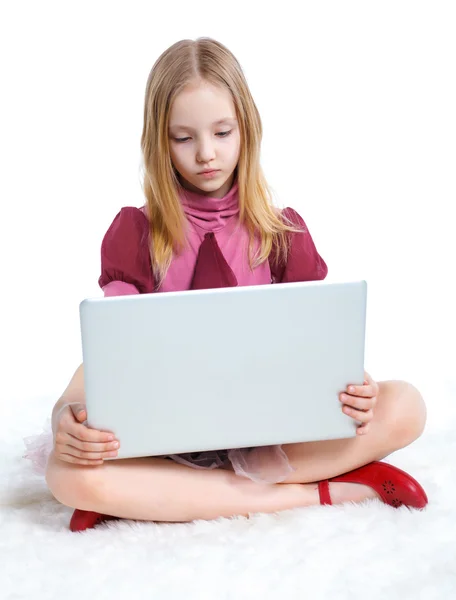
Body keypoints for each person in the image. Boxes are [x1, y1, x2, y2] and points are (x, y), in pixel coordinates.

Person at [23, 37, 428, 532]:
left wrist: (357, 387)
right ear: (158, 140)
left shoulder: (283, 234)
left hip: (272, 433)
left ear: (247, 130)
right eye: (184, 138)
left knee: (407, 403)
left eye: (222, 131)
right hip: (164, 437)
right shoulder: (136, 233)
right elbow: (107, 361)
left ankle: (160, 498)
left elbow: (320, 347)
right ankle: (330, 491)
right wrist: (68, 422)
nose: (207, 154)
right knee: (67, 473)